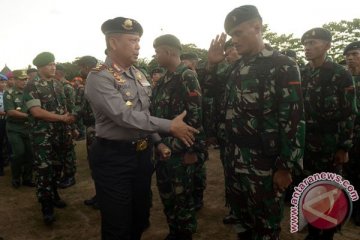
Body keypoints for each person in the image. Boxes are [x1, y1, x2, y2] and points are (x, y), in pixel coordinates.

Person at [84, 17, 199, 240]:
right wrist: (169, 127)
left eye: (139, 41)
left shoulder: (138, 74)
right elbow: (123, 116)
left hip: (141, 156)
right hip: (113, 158)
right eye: (133, 40)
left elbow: (143, 116)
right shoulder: (99, 76)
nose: (138, 46)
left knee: (140, 216)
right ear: (114, 42)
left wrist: (157, 142)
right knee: (118, 223)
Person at [201, 5, 305, 239]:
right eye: (231, 35)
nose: (234, 41)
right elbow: (210, 90)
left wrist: (285, 167)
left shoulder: (283, 65)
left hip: (264, 165)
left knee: (265, 227)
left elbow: (294, 120)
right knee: (243, 223)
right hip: (235, 159)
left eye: (238, 33)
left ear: (257, 27)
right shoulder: (237, 66)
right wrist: (212, 64)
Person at [301, 28, 356, 240]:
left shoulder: (340, 74)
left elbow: (349, 113)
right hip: (307, 143)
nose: (307, 47)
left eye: (313, 42)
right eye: (305, 43)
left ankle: (327, 234)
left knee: (330, 191)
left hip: (330, 144)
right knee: (310, 188)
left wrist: (344, 146)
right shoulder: (303, 73)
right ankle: (315, 230)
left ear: (327, 46)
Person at [151, 34, 206, 240]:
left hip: (181, 148)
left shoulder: (187, 76)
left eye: (157, 52)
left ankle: (184, 233)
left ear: (170, 51)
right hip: (163, 148)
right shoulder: (164, 79)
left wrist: (191, 150)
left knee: (182, 195)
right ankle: (174, 230)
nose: (155, 56)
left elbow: (195, 117)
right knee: (166, 193)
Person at [22, 52, 75, 225]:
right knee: (44, 170)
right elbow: (36, 112)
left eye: (54, 63)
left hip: (59, 134)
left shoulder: (58, 84)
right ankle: (46, 206)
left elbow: (64, 108)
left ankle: (54, 195)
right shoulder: (32, 86)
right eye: (49, 65)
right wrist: (61, 118)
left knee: (57, 166)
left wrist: (69, 126)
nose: (53, 67)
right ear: (39, 67)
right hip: (42, 136)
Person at [75, 55, 99, 209]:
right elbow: (82, 108)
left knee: (99, 163)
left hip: (99, 128)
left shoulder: (98, 81)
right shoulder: (91, 81)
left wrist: (71, 117)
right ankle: (100, 195)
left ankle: (104, 197)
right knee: (95, 165)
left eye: (81, 67)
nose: (80, 71)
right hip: (92, 128)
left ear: (86, 66)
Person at [3, 69, 34, 188]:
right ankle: (16, 177)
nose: (24, 82)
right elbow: (10, 112)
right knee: (19, 153)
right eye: (21, 80)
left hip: (29, 128)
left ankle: (27, 177)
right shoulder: (9, 93)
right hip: (15, 129)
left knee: (30, 154)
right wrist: (30, 116)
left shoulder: (30, 92)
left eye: (25, 79)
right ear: (15, 80)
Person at [343, 41, 360, 226]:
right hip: (348, 137)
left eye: (355, 54)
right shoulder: (343, 79)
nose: (350, 58)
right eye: (348, 55)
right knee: (348, 174)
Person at [55, 64, 78, 188]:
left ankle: (70, 176)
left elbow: (72, 108)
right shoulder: (56, 86)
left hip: (67, 124)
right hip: (57, 123)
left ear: (58, 73)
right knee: (60, 151)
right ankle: (64, 175)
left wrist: (73, 127)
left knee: (68, 151)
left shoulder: (66, 87)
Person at [0, 73, 8, 176]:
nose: (4, 84)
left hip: (8, 121)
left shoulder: (7, 93)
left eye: (4, 82)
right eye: (2, 82)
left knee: (9, 144)